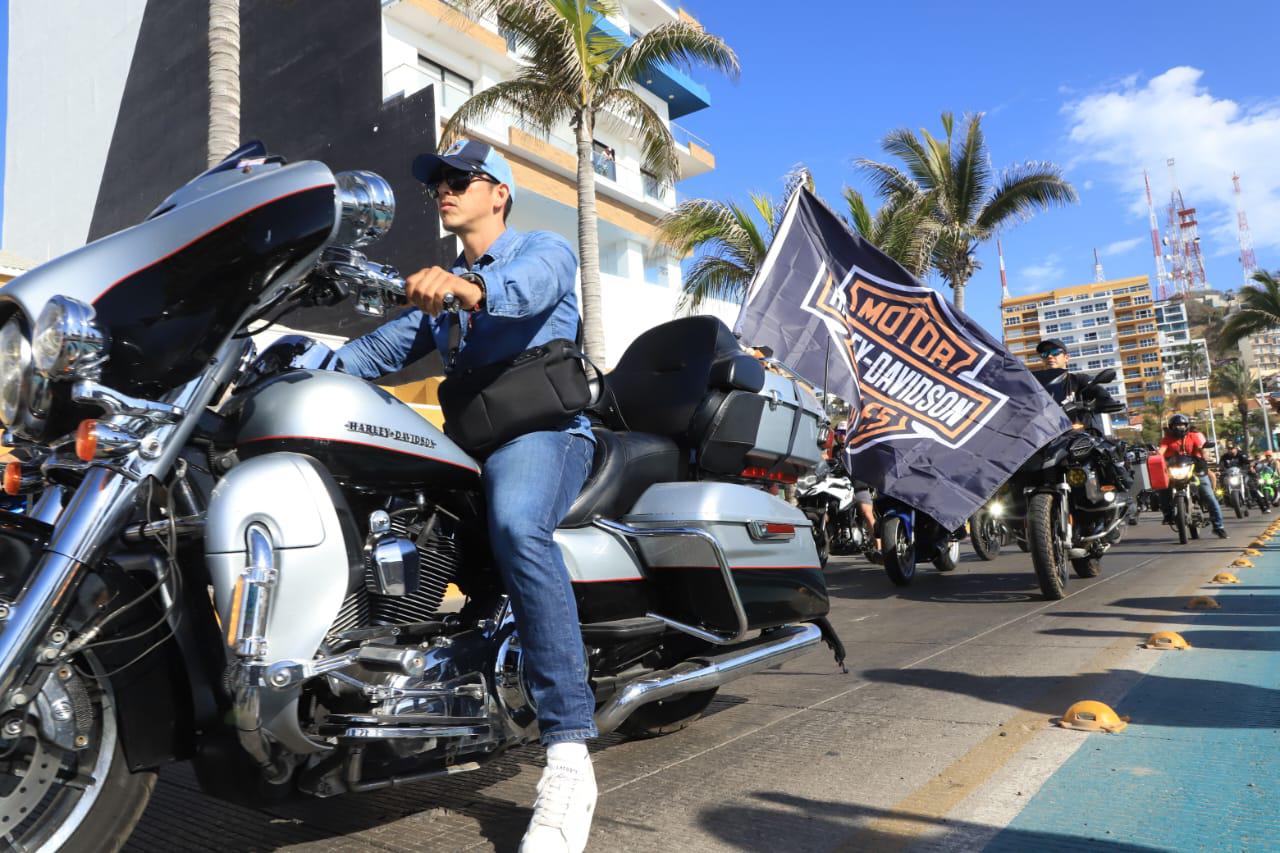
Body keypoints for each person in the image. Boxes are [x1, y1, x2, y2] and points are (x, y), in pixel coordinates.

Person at [336, 139, 597, 853]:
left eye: (459, 180)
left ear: (498, 194)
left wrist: (471, 288)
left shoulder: (538, 249)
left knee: (517, 527)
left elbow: (534, 287)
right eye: (438, 183)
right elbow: (369, 354)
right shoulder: (440, 290)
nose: (443, 190)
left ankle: (570, 754)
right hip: (471, 447)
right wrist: (289, 362)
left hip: (545, 432)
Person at [1158, 413, 1227, 538]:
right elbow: (1161, 451)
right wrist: (1155, 454)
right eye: (1176, 425)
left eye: (1182, 425)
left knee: (1208, 495)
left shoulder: (1193, 436)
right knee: (1162, 488)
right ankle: (1167, 514)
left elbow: (1202, 449)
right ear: (1171, 427)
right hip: (1175, 469)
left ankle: (1219, 526)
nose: (1179, 428)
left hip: (1196, 468)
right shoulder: (1167, 439)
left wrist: (1203, 451)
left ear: (1186, 426)